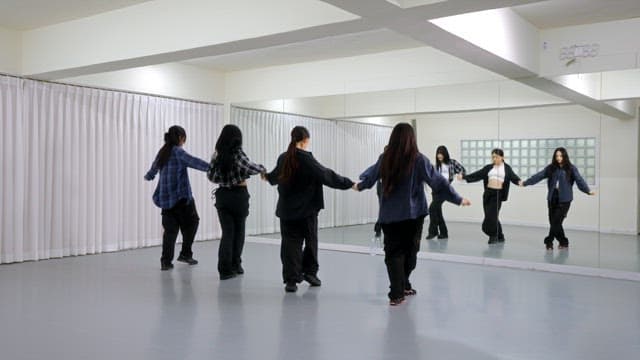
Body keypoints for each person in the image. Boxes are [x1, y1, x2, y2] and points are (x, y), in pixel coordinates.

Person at [356, 123, 470, 306]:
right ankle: (397, 291)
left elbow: (369, 176)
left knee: (399, 253)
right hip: (410, 215)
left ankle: (400, 287)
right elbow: (438, 182)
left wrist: (359, 185)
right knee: (406, 252)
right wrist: (457, 198)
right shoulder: (414, 159)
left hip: (398, 215)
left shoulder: (396, 158)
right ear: (412, 139)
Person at [264, 126, 355, 293]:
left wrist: (266, 175)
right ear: (305, 140)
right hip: (307, 211)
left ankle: (291, 280)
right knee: (311, 241)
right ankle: (310, 273)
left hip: (287, 211)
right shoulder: (306, 158)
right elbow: (326, 175)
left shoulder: (284, 158)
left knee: (290, 245)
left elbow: (274, 177)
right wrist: (349, 183)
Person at [144, 125, 210, 270]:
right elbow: (195, 162)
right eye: (184, 137)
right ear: (181, 137)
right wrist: (213, 167)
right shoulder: (178, 152)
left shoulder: (163, 152)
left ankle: (166, 262)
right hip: (181, 198)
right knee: (193, 222)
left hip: (165, 199)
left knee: (170, 231)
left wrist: (149, 176)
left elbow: (153, 168)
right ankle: (185, 253)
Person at [208, 124, 266, 280]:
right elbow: (250, 168)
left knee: (227, 233)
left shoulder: (217, 155)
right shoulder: (237, 154)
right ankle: (236, 264)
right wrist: (262, 168)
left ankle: (224, 270)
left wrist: (225, 179)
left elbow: (211, 176)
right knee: (239, 232)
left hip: (222, 196)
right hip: (239, 196)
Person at [523, 147, 595, 250]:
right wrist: (526, 183)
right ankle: (563, 242)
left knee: (556, 222)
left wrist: (587, 190)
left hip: (565, 200)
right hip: (552, 198)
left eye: (560, 155)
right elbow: (539, 176)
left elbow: (579, 180)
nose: (558, 158)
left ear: (564, 156)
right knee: (554, 222)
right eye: (556, 156)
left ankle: (549, 241)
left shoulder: (571, 168)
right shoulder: (551, 168)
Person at [461, 148, 522, 244]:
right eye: (493, 157)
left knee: (491, 216)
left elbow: (514, 177)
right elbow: (478, 174)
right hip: (488, 194)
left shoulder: (507, 168)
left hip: (498, 194)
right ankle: (500, 236)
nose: (494, 159)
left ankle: (493, 236)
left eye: (496, 157)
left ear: (502, 157)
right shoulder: (489, 168)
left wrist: (520, 182)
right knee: (492, 216)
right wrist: (464, 177)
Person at [426, 145, 466, 240]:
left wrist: (460, 175)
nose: (439, 156)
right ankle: (444, 233)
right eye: (438, 154)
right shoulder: (436, 166)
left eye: (441, 154)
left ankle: (433, 232)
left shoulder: (452, 163)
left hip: (445, 190)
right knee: (437, 211)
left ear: (445, 154)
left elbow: (462, 170)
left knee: (432, 208)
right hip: (436, 191)